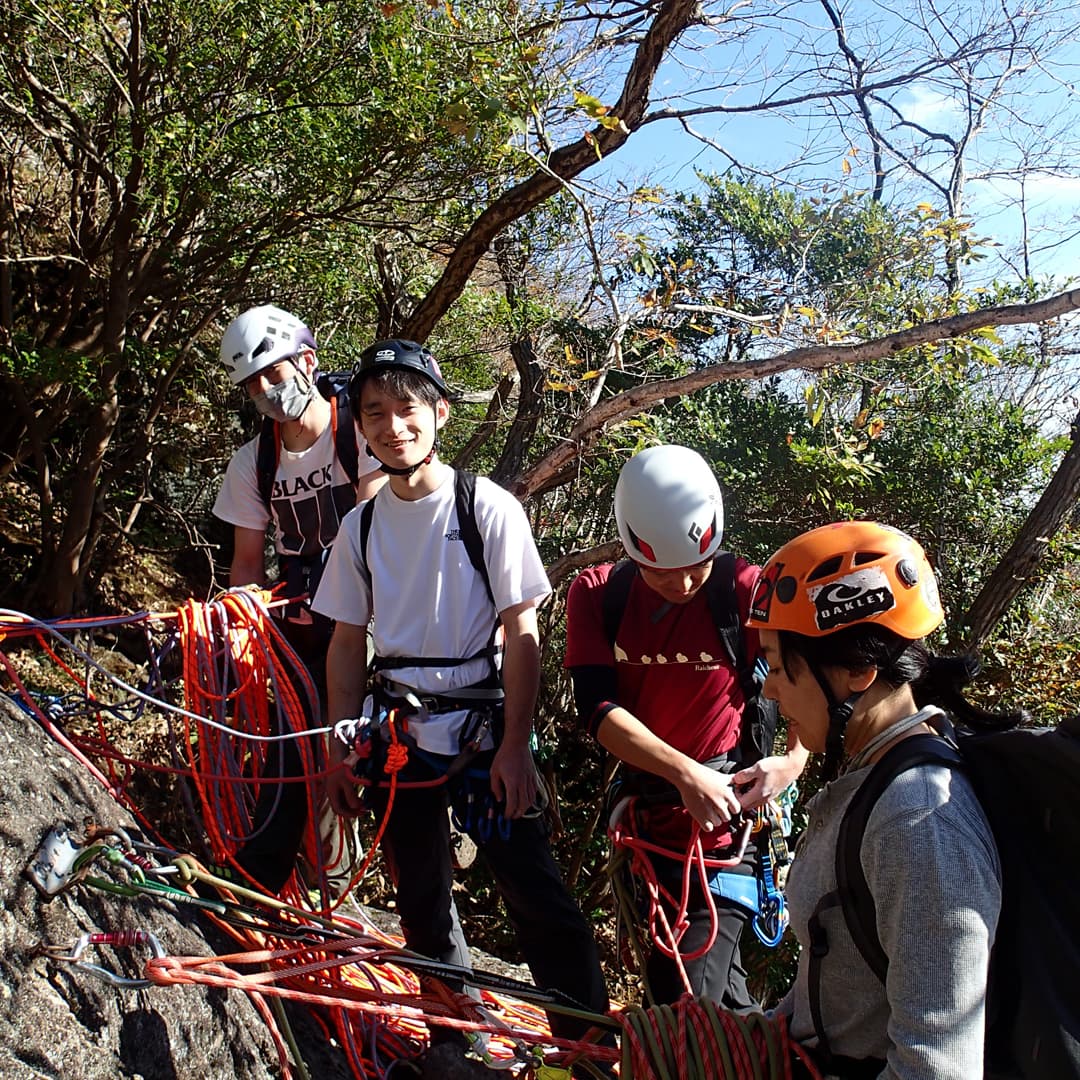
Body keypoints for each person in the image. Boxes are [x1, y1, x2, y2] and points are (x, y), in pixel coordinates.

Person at [313, 338, 609, 1048]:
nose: (393, 426)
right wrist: (338, 749)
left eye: (407, 408)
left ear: (440, 412)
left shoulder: (486, 507)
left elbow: (522, 632)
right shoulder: (361, 527)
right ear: (359, 425)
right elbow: (347, 643)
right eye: (374, 412)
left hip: (482, 736)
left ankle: (587, 1049)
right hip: (402, 738)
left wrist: (516, 746)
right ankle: (455, 1037)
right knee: (421, 898)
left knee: (534, 893)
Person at [746, 520, 1004, 1078]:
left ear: (859, 670)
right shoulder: (871, 781)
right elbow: (842, 985)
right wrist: (764, 1032)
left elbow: (936, 1069)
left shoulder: (916, 823)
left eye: (780, 664)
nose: (768, 686)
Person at [564, 444, 809, 1007]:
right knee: (694, 995)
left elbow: (800, 678)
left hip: (728, 822)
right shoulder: (599, 594)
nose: (683, 584)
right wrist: (683, 775)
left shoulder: (743, 588)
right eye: (663, 572)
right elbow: (596, 709)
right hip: (652, 822)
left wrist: (793, 761)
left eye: (698, 566)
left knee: (688, 999)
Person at [212, 303, 384, 892]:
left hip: (369, 612)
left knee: (351, 746)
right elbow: (246, 564)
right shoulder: (253, 462)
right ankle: (289, 880)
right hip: (299, 618)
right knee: (293, 745)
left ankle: (313, 877)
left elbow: (376, 529)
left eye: (274, 373)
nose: (265, 390)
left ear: (307, 361)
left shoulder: (358, 430)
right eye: (252, 382)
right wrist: (241, 619)